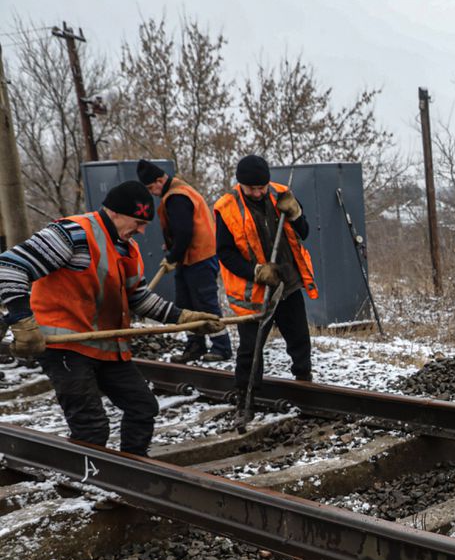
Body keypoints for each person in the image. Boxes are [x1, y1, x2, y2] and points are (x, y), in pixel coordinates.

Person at [0, 181, 223, 455]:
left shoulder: (128, 249)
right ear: (115, 212)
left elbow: (138, 298)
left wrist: (184, 317)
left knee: (143, 407)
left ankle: (129, 471)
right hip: (64, 347)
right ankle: (88, 484)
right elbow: (9, 267)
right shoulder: (72, 233)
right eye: (139, 222)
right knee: (91, 427)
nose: (142, 231)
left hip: (106, 347)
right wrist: (22, 320)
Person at [213, 155, 318, 403]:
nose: (259, 193)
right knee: (251, 347)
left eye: (262, 187)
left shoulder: (282, 194)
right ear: (241, 185)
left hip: (288, 283)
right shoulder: (227, 208)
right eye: (253, 189)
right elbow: (225, 253)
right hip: (255, 292)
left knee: (299, 338)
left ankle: (305, 382)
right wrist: (257, 271)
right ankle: (246, 394)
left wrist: (295, 214)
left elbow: (304, 232)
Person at [137, 159, 232, 364]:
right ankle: (195, 345)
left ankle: (221, 346)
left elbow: (185, 231)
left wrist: (173, 256)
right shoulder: (178, 190)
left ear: (160, 180)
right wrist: (173, 248)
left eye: (151, 187)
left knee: (205, 302)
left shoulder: (176, 197)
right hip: (191, 257)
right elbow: (183, 231)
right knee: (186, 303)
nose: (152, 192)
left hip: (199, 257)